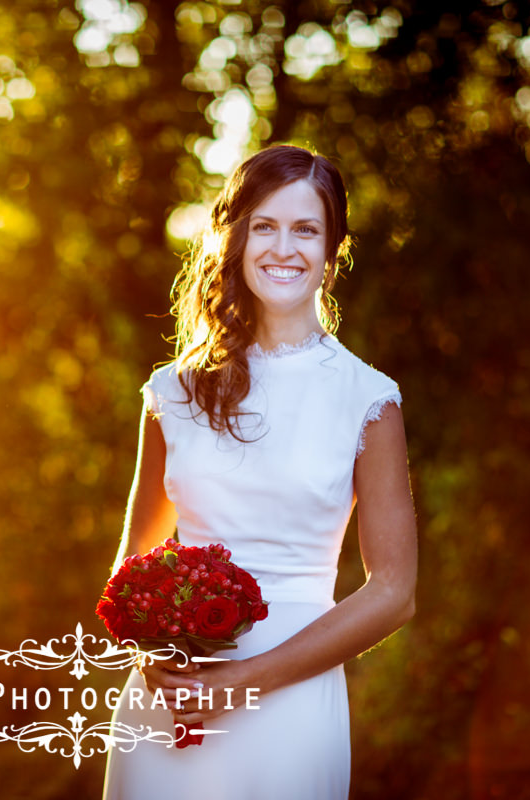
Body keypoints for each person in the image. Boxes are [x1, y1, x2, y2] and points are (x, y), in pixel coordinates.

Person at [101, 144, 417, 799]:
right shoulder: (173, 391)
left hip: (292, 702)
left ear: (332, 251)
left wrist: (242, 683)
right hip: (171, 702)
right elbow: (133, 564)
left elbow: (393, 591)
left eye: (306, 229)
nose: (283, 248)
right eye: (264, 226)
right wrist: (155, 657)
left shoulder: (368, 398)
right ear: (236, 239)